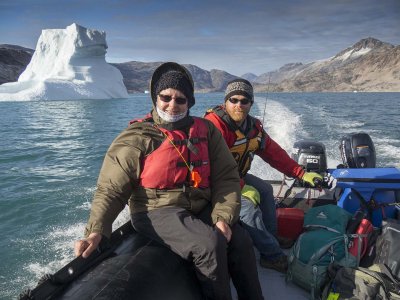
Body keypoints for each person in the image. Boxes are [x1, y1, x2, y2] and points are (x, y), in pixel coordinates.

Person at [74, 63, 264, 300]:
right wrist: (96, 230)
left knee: (242, 240)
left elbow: (226, 176)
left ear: (190, 102)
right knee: (208, 244)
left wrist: (223, 216)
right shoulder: (137, 137)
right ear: (156, 97)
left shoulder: (206, 130)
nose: (172, 104)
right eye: (166, 97)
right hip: (156, 210)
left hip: (199, 203)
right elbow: (111, 189)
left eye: (180, 99)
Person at [204, 78, 323, 273]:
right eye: (233, 100)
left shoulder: (253, 128)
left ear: (251, 103)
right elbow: (212, 167)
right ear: (225, 102)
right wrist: (241, 187)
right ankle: (272, 256)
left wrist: (301, 173)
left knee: (266, 189)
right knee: (248, 208)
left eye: (244, 100)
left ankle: (271, 236)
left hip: (237, 178)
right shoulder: (214, 126)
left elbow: (274, 154)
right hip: (214, 184)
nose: (238, 105)